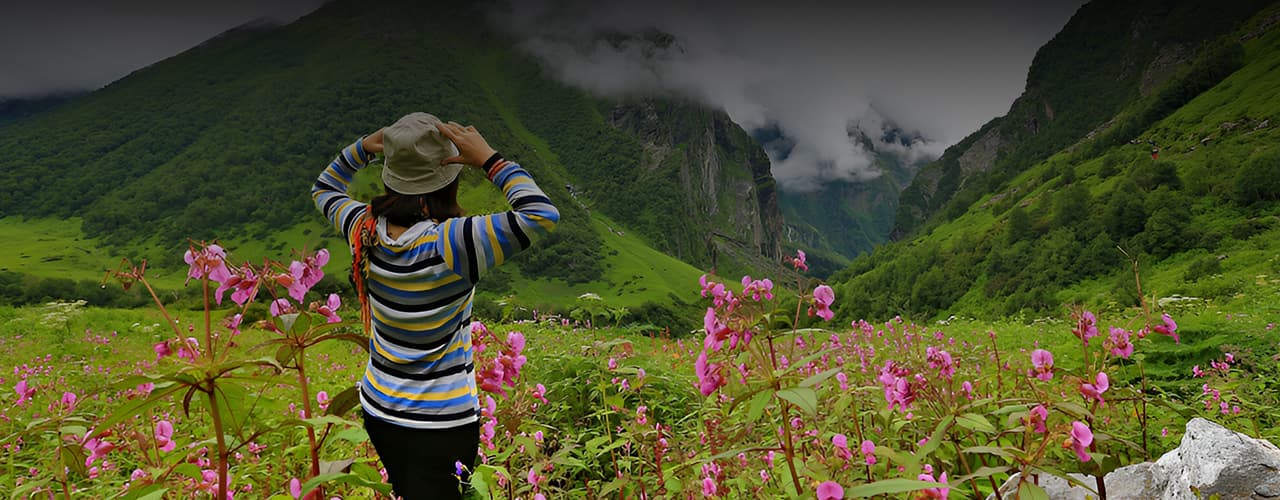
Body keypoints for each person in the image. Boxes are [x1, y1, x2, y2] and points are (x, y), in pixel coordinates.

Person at [311, 112, 559, 499]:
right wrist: (490, 160)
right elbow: (540, 214)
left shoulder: (362, 227)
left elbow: (324, 188)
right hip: (441, 421)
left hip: (379, 407)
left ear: (391, 174)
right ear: (447, 178)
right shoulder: (455, 242)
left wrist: (362, 147)